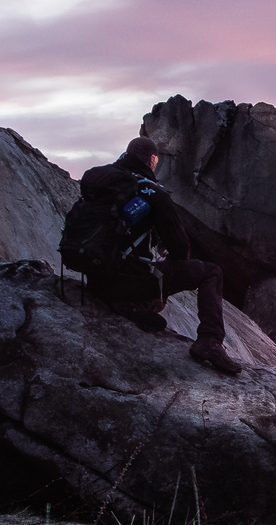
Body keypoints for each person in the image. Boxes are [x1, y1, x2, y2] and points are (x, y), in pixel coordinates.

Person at [73, 136, 243, 375]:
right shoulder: (153, 193)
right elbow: (180, 249)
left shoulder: (98, 180)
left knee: (132, 266)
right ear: (152, 160)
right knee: (211, 272)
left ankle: (126, 301)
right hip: (127, 278)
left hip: (95, 275)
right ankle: (210, 341)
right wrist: (165, 266)